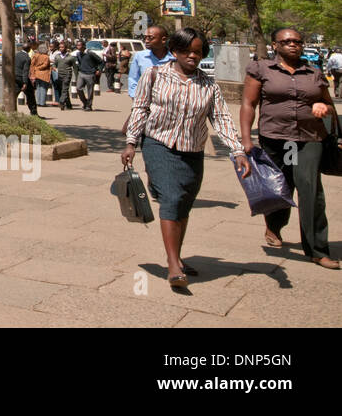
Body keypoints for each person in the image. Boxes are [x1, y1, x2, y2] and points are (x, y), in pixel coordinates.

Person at [122, 28, 250, 289]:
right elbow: (140, 109)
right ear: (174, 52)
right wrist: (131, 143)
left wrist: (236, 150)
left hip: (193, 151)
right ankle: (172, 265)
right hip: (159, 144)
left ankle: (177, 256)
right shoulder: (154, 75)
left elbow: (222, 119)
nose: (193, 56)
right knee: (171, 198)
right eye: (186, 51)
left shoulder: (208, 84)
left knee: (184, 204)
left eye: (198, 52)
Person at [240, 28, 339, 269]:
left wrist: (323, 108)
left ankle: (317, 249)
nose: (293, 45)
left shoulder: (314, 73)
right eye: (287, 41)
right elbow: (248, 103)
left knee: (311, 190)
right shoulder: (261, 69)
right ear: (275, 45)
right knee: (281, 186)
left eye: (297, 41)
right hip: (275, 138)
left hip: (309, 138)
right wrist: (246, 139)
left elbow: (329, 104)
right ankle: (274, 226)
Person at [129, 25, 173, 100]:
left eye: (150, 38)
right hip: (144, 102)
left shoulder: (174, 58)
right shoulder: (139, 56)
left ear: (163, 40)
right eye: (145, 37)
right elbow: (133, 79)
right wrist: (135, 97)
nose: (146, 41)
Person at [74, 39, 102, 111]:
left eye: (79, 45)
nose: (78, 47)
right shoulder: (78, 54)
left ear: (84, 46)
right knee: (78, 88)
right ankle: (85, 102)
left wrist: (99, 70)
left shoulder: (90, 53)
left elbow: (101, 61)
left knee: (90, 91)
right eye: (77, 45)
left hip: (90, 74)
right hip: (81, 73)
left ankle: (89, 105)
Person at [14, 41, 36, 116]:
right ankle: (34, 113)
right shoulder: (27, 58)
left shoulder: (16, 55)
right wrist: (25, 83)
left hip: (15, 78)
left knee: (13, 96)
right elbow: (25, 71)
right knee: (30, 95)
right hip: (22, 78)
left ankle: (11, 113)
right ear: (30, 49)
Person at [55, 42, 78, 111]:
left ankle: (61, 102)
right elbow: (54, 64)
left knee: (65, 88)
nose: (61, 49)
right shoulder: (57, 56)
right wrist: (54, 68)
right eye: (60, 47)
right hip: (59, 75)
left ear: (66, 48)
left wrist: (77, 77)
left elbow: (75, 67)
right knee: (62, 89)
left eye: (62, 47)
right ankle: (69, 105)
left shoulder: (71, 57)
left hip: (67, 74)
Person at [31, 42, 53, 107]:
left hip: (36, 74)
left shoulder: (35, 55)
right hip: (44, 74)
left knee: (38, 88)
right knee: (43, 88)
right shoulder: (46, 57)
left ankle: (38, 102)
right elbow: (45, 65)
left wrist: (33, 71)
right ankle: (42, 103)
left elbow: (32, 64)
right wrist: (38, 68)